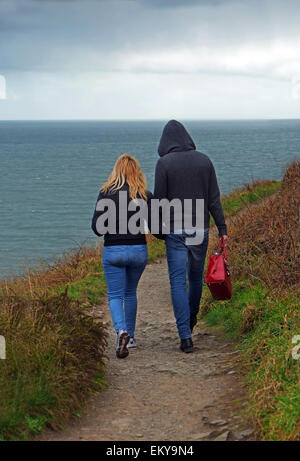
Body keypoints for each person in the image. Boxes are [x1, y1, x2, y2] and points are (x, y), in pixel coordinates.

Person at [154, 120, 228, 353]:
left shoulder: (163, 164)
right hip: (199, 230)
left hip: (175, 231)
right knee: (195, 278)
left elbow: (159, 202)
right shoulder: (204, 161)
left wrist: (158, 231)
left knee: (177, 282)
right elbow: (213, 199)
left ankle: (185, 336)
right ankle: (192, 316)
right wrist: (222, 229)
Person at [91, 154, 152, 359]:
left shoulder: (106, 193)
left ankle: (121, 331)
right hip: (138, 250)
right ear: (137, 172)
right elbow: (153, 227)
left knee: (115, 295)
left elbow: (97, 229)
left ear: (116, 171)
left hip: (114, 251)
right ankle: (131, 338)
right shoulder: (144, 195)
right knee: (130, 293)